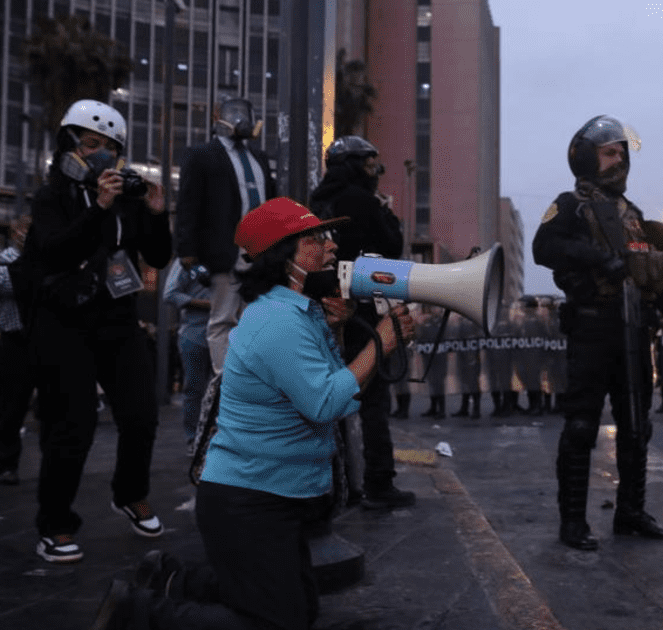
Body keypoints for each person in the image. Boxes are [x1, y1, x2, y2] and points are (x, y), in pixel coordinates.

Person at [88, 196, 416, 630]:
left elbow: (343, 389)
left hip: (276, 496)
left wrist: (340, 328)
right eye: (317, 239)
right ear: (286, 257)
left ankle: (170, 579)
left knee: (298, 609)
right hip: (250, 499)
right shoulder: (278, 321)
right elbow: (327, 402)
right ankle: (136, 614)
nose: (331, 248)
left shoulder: (300, 313)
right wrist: (382, 342)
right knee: (276, 623)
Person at [23, 99, 172, 563]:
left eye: (110, 147)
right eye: (91, 144)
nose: (101, 155)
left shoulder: (126, 197)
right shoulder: (53, 197)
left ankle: (129, 493)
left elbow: (158, 256)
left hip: (117, 318)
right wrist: (98, 207)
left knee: (141, 415)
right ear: (69, 144)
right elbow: (55, 251)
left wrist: (156, 212)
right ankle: (56, 524)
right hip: (64, 321)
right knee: (73, 425)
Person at [532, 114, 663, 551]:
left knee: (637, 425)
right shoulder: (570, 205)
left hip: (636, 330)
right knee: (582, 425)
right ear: (586, 157)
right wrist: (597, 259)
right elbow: (543, 248)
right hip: (593, 327)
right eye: (609, 151)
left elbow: (646, 274)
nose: (619, 158)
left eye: (622, 152)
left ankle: (631, 512)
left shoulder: (634, 215)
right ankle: (572, 522)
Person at [310, 135, 414, 508]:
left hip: (320, 309)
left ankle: (338, 481)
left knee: (328, 396)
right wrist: (386, 212)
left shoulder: (317, 201)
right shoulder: (361, 201)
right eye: (369, 164)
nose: (374, 171)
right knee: (371, 398)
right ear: (354, 165)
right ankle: (378, 481)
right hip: (360, 312)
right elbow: (391, 245)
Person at [175, 97, 277, 376]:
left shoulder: (260, 158)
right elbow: (188, 206)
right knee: (222, 320)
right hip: (224, 252)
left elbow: (272, 201)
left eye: (244, 112)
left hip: (261, 252)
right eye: (232, 113)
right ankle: (226, 381)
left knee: (260, 319)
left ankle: (255, 379)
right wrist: (188, 255)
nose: (239, 117)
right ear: (217, 117)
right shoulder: (201, 156)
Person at [0, 215, 38, 484]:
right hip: (15, 339)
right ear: (15, 231)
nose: (28, 234)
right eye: (25, 230)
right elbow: (6, 285)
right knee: (11, 407)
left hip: (41, 338)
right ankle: (6, 464)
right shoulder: (2, 259)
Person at [162, 257, 212, 454]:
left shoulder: (229, 258)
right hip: (195, 334)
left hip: (227, 333)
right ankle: (194, 439)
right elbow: (170, 294)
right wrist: (207, 304)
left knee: (226, 391)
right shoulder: (188, 260)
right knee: (194, 390)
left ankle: (216, 439)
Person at [515, 295, 550, 415]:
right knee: (529, 382)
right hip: (525, 358)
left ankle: (537, 406)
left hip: (535, 358)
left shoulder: (538, 322)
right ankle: (532, 406)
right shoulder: (524, 321)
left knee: (534, 383)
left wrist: (543, 358)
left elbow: (545, 340)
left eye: (523, 305)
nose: (521, 307)